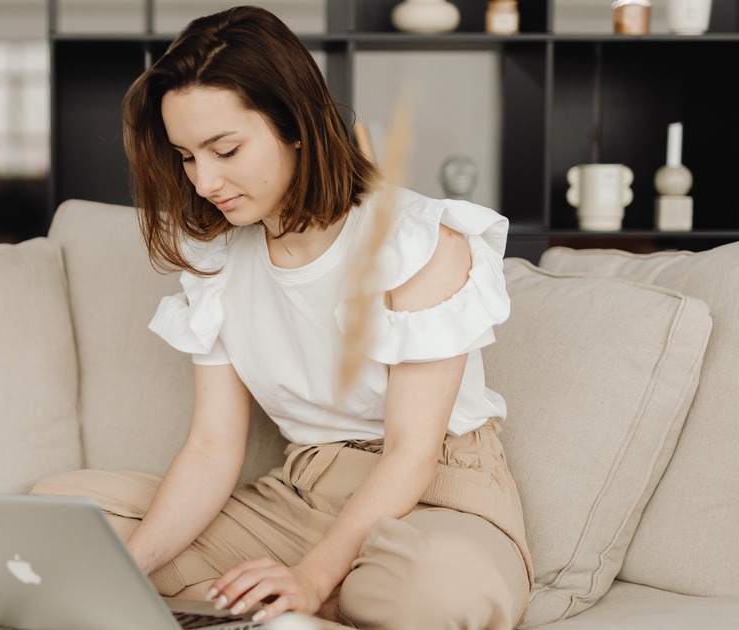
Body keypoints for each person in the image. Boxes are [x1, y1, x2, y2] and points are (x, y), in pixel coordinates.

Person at [33, 5, 533, 628]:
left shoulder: (415, 241)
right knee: (66, 515)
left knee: (436, 595)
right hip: (306, 495)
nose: (204, 181)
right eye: (187, 156)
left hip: (434, 495)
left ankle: (317, 591)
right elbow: (214, 448)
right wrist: (123, 575)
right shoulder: (217, 261)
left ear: (295, 123)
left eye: (225, 149)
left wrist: (311, 573)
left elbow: (411, 451)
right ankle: (306, 600)